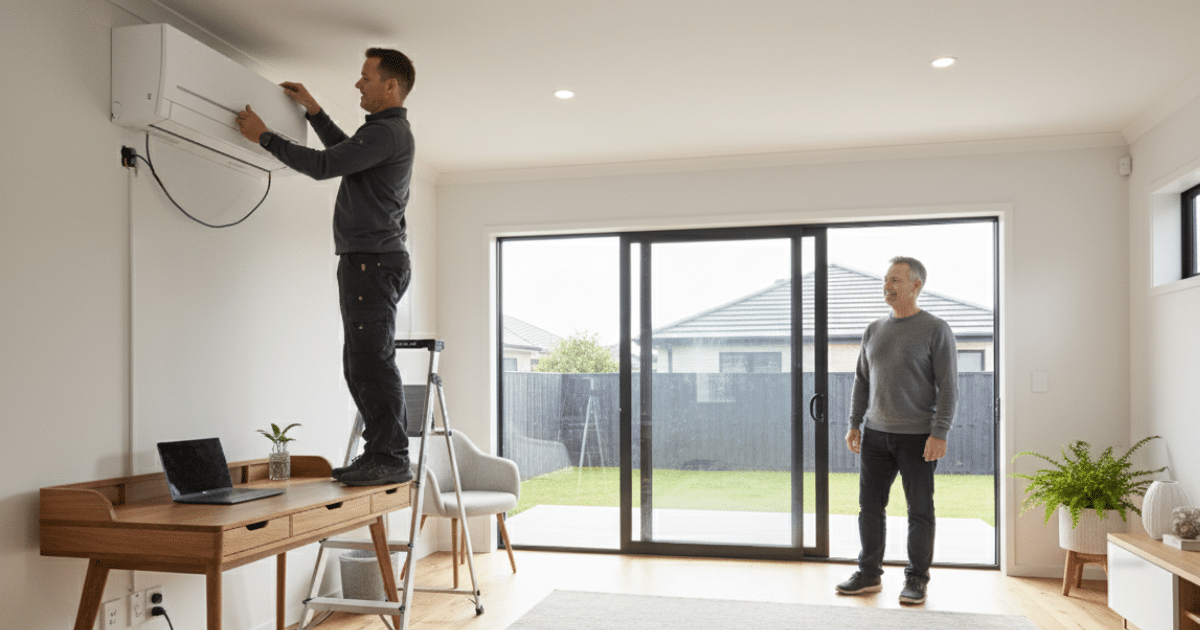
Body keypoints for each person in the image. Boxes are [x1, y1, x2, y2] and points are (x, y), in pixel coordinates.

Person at [235, 48, 416, 487]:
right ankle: (380, 452)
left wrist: (265, 136)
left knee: (371, 362)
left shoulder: (388, 133)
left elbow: (322, 166)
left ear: (390, 86)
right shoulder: (382, 135)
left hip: (372, 262)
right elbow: (343, 154)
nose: (358, 83)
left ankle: (390, 457)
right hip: (370, 260)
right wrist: (314, 112)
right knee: (361, 362)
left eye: (365, 77)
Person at [836, 256, 958, 605]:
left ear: (916, 285)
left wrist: (940, 432)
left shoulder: (935, 329)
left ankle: (917, 579)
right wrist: (854, 424)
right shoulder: (874, 329)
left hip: (918, 437)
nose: (887, 286)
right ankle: (869, 574)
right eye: (886, 279)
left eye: (895, 280)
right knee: (869, 507)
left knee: (919, 510)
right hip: (875, 434)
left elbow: (949, 387)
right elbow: (861, 381)